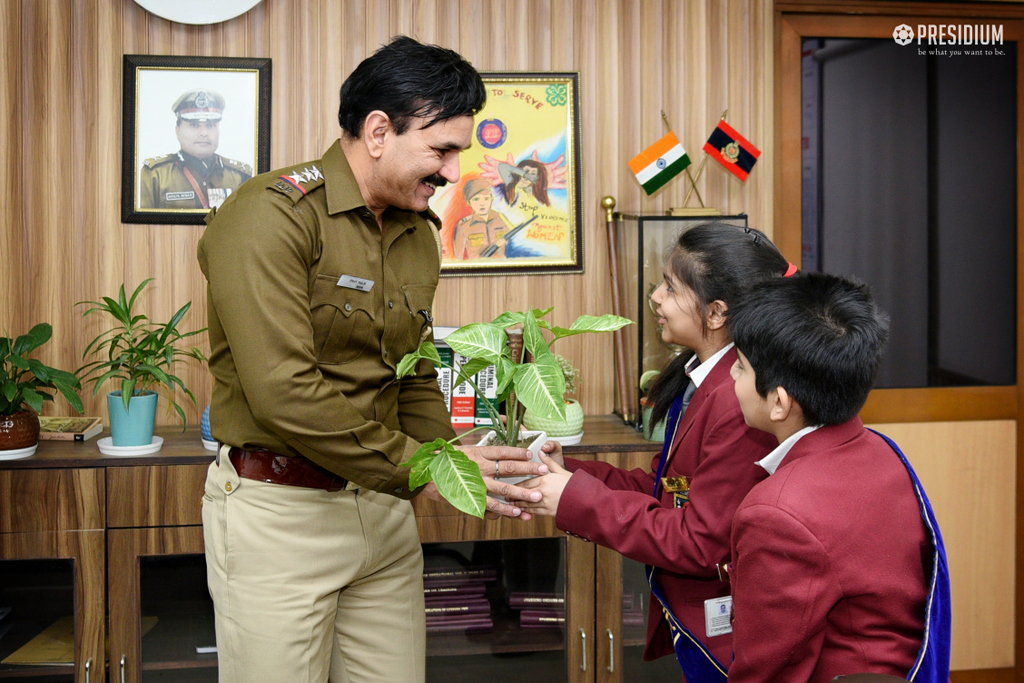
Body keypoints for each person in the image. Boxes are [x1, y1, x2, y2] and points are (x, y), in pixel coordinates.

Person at [197, 36, 546, 683]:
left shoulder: (418, 235)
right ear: (379, 131)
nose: (450, 170)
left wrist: (456, 462)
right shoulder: (271, 217)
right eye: (442, 150)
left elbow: (411, 371)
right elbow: (285, 392)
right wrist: (427, 467)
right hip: (283, 516)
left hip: (385, 513)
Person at [520, 224, 793, 681]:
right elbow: (669, 488)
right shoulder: (706, 377)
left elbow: (699, 542)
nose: (656, 298)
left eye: (671, 286)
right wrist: (568, 471)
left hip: (728, 629)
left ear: (716, 312)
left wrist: (573, 498)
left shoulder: (736, 397)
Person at [725, 272, 951, 683]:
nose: (732, 378)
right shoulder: (882, 451)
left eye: (740, 367)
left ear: (779, 402)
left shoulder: (777, 514)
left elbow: (767, 671)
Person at [139, 89, 252, 210]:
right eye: (194, 125)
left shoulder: (239, 175)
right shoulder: (155, 175)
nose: (204, 133)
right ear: (178, 130)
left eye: (210, 125)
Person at [450, 178, 511, 259]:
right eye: (476, 199)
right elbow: (458, 257)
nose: (482, 204)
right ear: (469, 202)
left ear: (491, 199)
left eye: (486, 198)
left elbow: (514, 246)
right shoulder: (464, 225)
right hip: (477, 270)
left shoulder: (502, 219)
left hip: (503, 269)